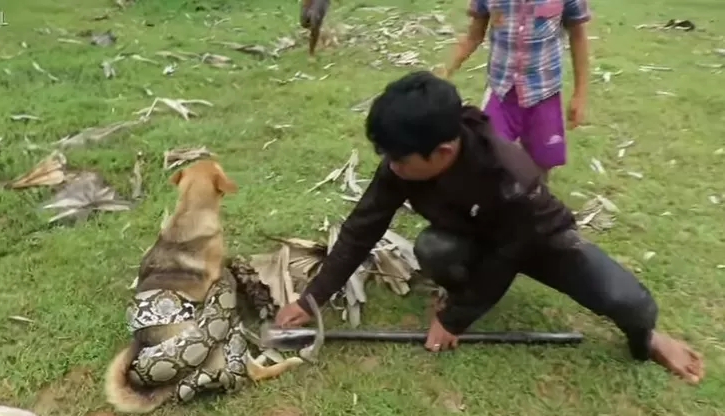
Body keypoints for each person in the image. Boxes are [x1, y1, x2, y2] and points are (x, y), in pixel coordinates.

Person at [274, 71, 704, 384]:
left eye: (399, 160)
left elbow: (508, 254)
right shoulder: (404, 161)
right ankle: (461, 287)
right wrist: (314, 296)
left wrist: (454, 321)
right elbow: (361, 228)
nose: (391, 167)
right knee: (435, 248)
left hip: (535, 239)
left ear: (443, 151)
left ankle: (649, 336)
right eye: (387, 156)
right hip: (471, 236)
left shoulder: (510, 175)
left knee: (625, 301)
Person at [439, 0, 592, 180]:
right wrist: (446, 69)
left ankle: (535, 200)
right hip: (501, 91)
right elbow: (474, 35)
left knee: (540, 162)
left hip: (544, 92)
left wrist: (579, 94)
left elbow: (578, 36)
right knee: (490, 156)